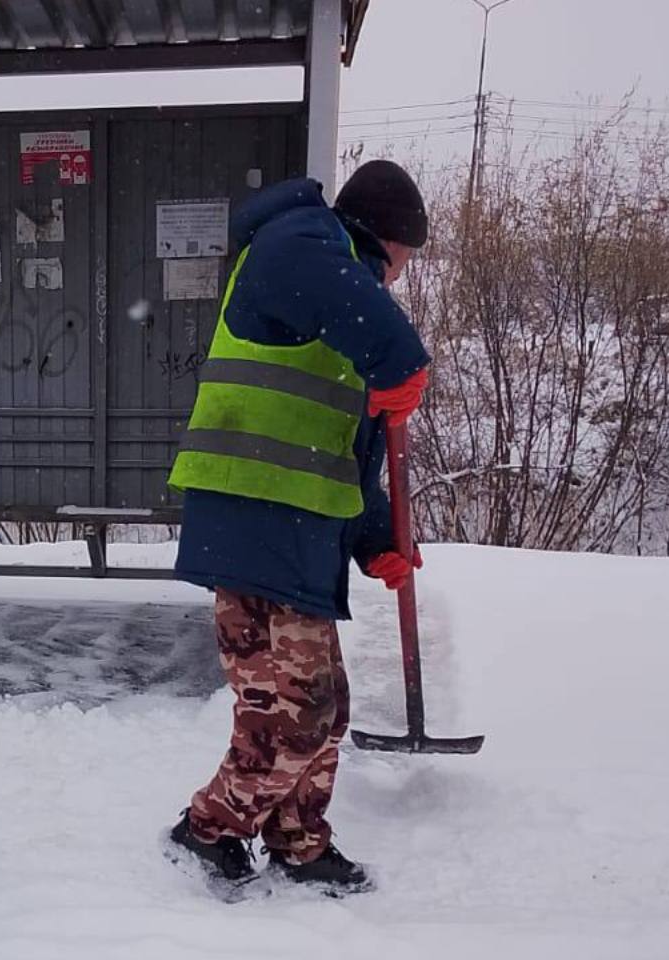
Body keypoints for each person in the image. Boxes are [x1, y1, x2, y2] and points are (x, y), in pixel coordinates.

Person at [165, 160, 432, 895]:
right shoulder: (297, 241)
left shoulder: (337, 300)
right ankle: (207, 829)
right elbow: (332, 290)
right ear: (386, 238)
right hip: (256, 521)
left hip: (296, 531)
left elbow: (347, 453)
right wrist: (399, 355)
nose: (403, 274)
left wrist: (376, 540)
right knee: (303, 712)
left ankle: (299, 840)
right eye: (408, 254)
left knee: (306, 707)